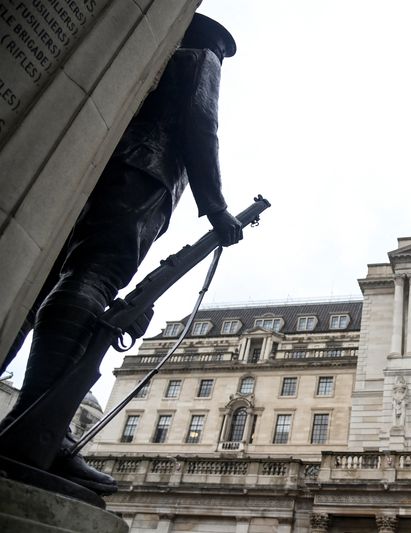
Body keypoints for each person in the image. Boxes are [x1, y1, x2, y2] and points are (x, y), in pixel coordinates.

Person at [0, 13, 242, 495]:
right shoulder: (200, 53)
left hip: (97, 171)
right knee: (92, 278)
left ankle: (38, 426)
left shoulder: (143, 66)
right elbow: (201, 121)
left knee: (48, 281)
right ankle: (36, 429)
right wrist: (216, 209)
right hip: (142, 175)